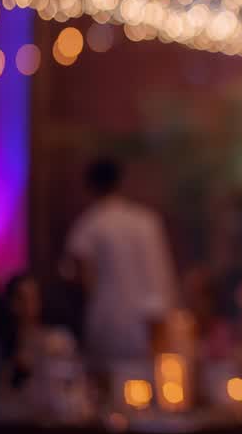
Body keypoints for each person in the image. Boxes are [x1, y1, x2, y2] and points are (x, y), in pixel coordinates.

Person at [64, 158, 178, 376]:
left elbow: (80, 274)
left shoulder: (91, 223)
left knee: (112, 394)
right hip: (150, 326)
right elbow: (161, 276)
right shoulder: (147, 221)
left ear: (90, 186)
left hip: (108, 324)